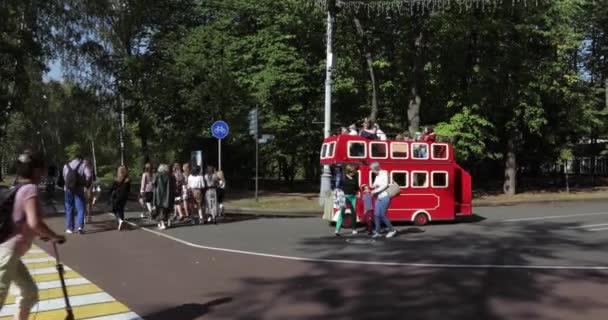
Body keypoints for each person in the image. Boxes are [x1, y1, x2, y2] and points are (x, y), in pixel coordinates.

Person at [0, 151, 66, 320]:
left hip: (10, 253)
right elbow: (34, 222)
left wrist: (41, 233)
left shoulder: (19, 188)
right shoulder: (30, 189)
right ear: (36, 170)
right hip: (7, 253)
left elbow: (20, 221)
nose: (44, 171)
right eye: (42, 168)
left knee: (29, 292)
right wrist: (55, 236)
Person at [62, 155, 93, 234]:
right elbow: (89, 175)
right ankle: (80, 227)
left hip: (68, 189)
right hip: (78, 189)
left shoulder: (66, 166)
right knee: (80, 208)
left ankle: (70, 228)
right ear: (80, 159)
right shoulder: (83, 165)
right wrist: (86, 184)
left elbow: (64, 177)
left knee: (69, 208)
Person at [369, 162, 397, 238]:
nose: (372, 171)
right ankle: (378, 231)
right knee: (376, 214)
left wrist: (375, 191)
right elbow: (374, 184)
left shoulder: (384, 173)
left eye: (372, 169)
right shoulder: (377, 175)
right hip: (379, 197)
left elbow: (385, 185)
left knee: (382, 215)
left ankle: (392, 230)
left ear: (376, 168)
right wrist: (374, 186)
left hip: (385, 196)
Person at [334, 165, 359, 236]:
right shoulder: (343, 178)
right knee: (342, 213)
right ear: (348, 172)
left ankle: (354, 229)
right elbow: (338, 188)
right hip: (345, 197)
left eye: (354, 172)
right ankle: (337, 230)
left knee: (354, 213)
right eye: (352, 172)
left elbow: (357, 187)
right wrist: (341, 195)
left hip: (353, 197)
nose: (353, 173)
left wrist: (357, 193)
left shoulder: (355, 177)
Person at [152, 164, 176, 230]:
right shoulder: (171, 176)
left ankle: (162, 224)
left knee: (161, 210)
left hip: (159, 195)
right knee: (169, 209)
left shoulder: (157, 175)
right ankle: (169, 222)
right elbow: (174, 186)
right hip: (170, 195)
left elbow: (153, 183)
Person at [109, 166, 131, 231]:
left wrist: (109, 193)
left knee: (114, 209)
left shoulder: (116, 179)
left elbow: (112, 188)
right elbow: (128, 189)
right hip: (124, 196)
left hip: (117, 196)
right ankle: (121, 221)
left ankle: (120, 220)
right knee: (121, 209)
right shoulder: (128, 179)